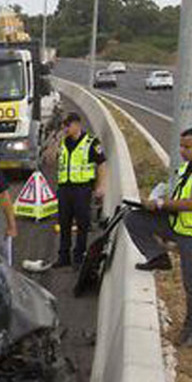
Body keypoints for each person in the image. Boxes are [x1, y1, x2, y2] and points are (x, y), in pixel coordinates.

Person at [125, 125, 192, 345]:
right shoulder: (187, 168)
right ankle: (158, 257)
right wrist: (155, 204)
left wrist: (160, 204)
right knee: (133, 219)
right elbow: (178, 197)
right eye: (180, 146)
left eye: (187, 147)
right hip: (176, 224)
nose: (182, 151)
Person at [55, 113, 106, 267]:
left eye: (67, 126)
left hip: (82, 189)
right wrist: (54, 143)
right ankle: (64, 257)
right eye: (64, 126)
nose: (65, 130)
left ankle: (79, 257)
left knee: (82, 224)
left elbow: (101, 164)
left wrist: (100, 186)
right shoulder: (63, 142)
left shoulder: (91, 142)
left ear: (77, 125)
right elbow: (50, 160)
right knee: (64, 223)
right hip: (64, 188)